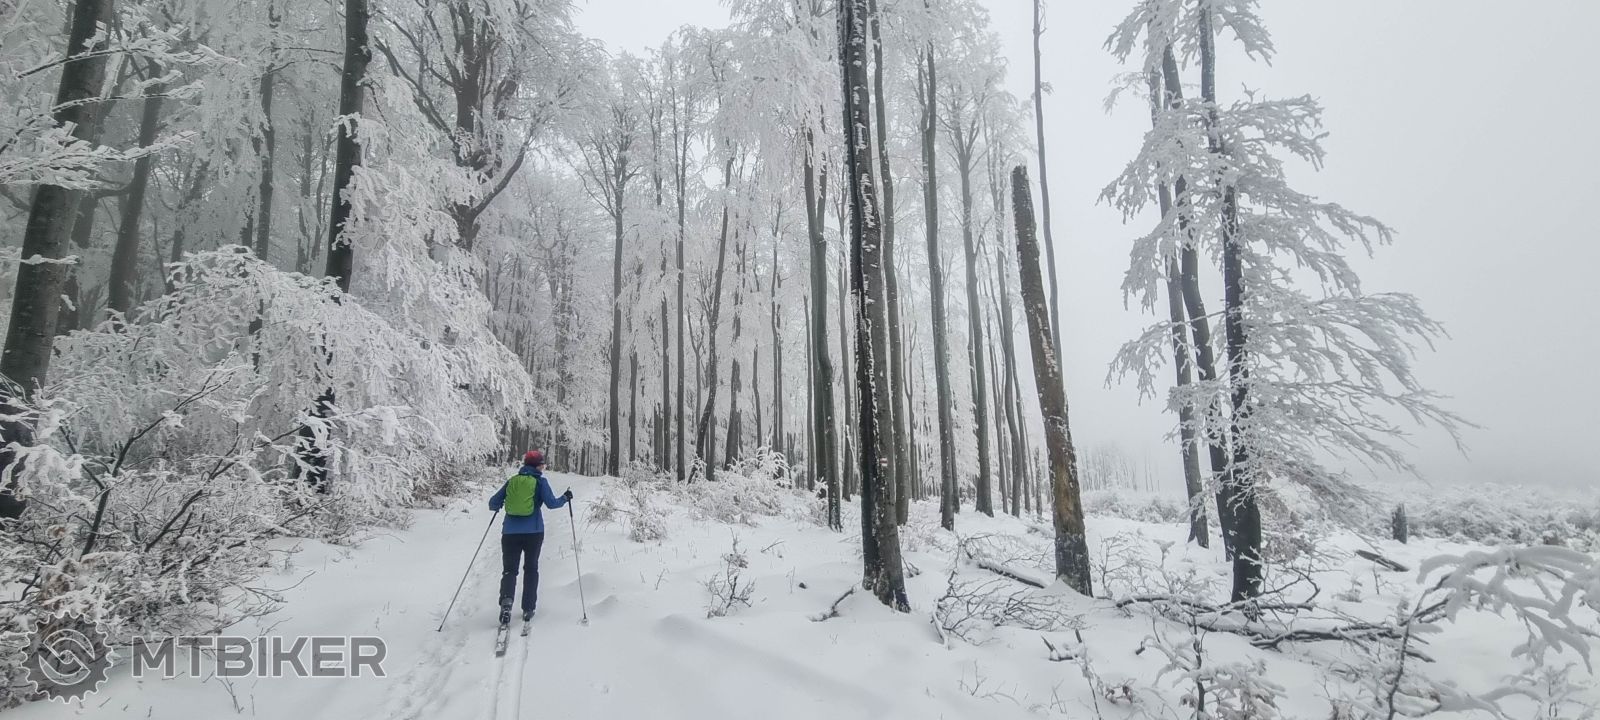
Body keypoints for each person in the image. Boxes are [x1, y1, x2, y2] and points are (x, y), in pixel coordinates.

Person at [488, 450, 573, 625]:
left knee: (509, 570)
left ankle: (506, 603)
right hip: (534, 532)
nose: (543, 467)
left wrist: (500, 505)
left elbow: (493, 503)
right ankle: (528, 608)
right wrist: (565, 498)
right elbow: (552, 504)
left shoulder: (512, 481)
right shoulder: (540, 482)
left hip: (510, 533)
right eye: (543, 465)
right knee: (531, 568)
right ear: (538, 466)